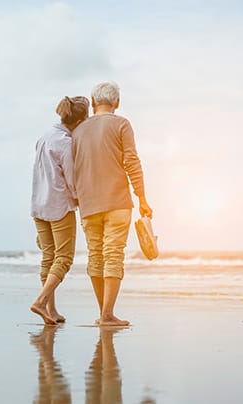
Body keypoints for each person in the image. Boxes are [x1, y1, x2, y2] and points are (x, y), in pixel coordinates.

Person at [72, 81, 152, 327]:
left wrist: (76, 197)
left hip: (88, 204)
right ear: (117, 103)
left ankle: (103, 313)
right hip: (118, 202)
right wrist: (142, 198)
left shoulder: (77, 131)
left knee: (96, 256)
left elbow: (72, 168)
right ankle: (107, 315)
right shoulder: (121, 124)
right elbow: (132, 162)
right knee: (113, 255)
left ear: (93, 102)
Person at [30, 96, 90, 325]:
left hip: (38, 204)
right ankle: (40, 301)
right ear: (81, 120)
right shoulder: (65, 142)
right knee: (63, 258)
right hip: (58, 205)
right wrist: (81, 201)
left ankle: (50, 311)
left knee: (48, 257)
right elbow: (72, 179)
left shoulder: (44, 137)